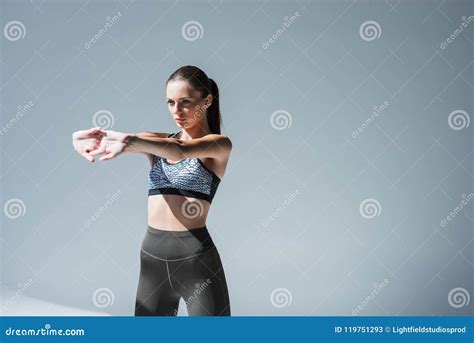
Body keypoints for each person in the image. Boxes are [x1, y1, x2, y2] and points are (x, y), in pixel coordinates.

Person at [72, 66, 232, 316]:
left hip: (197, 261)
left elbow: (179, 150)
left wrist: (130, 143)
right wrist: (93, 139)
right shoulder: (157, 141)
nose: (176, 111)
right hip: (152, 259)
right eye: (170, 102)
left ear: (207, 101)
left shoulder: (219, 146)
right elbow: (136, 140)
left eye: (185, 102)